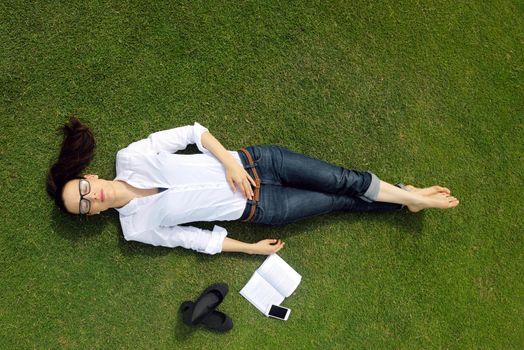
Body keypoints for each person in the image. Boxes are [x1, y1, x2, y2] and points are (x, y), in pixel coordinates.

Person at [47, 118, 459, 256]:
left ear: (90, 176)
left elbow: (194, 131)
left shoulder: (130, 158)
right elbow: (194, 241)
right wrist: (249, 248)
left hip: (258, 162)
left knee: (343, 179)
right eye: (83, 206)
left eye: (82, 189)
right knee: (337, 202)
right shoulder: (135, 229)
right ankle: (409, 199)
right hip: (263, 209)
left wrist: (228, 161)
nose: (90, 198)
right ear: (93, 215)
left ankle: (411, 198)